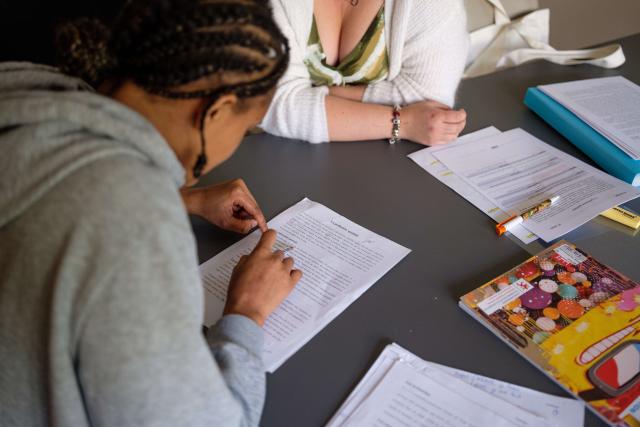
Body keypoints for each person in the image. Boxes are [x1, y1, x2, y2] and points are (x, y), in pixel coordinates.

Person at [0, 1, 301, 426]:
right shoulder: (133, 225)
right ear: (214, 111)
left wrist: (186, 198)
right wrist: (247, 312)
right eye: (242, 128)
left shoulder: (29, 90)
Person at [260, 0, 469, 145]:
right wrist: (405, 122)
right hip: (269, 150)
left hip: (388, 163)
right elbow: (270, 103)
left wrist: (308, 94)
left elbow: (430, 98)